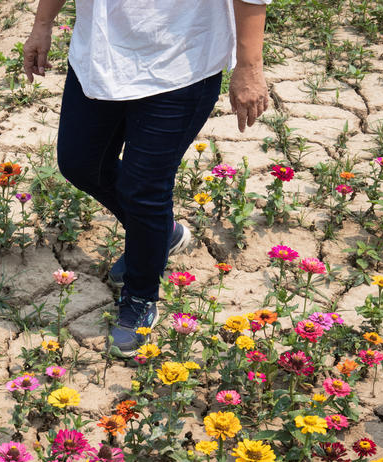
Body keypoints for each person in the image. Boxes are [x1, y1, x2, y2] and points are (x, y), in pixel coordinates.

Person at [23, 0, 270, 357]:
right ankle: (159, 235)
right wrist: (42, 24)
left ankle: (140, 295)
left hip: (182, 60)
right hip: (102, 50)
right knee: (80, 163)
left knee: (144, 188)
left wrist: (249, 66)